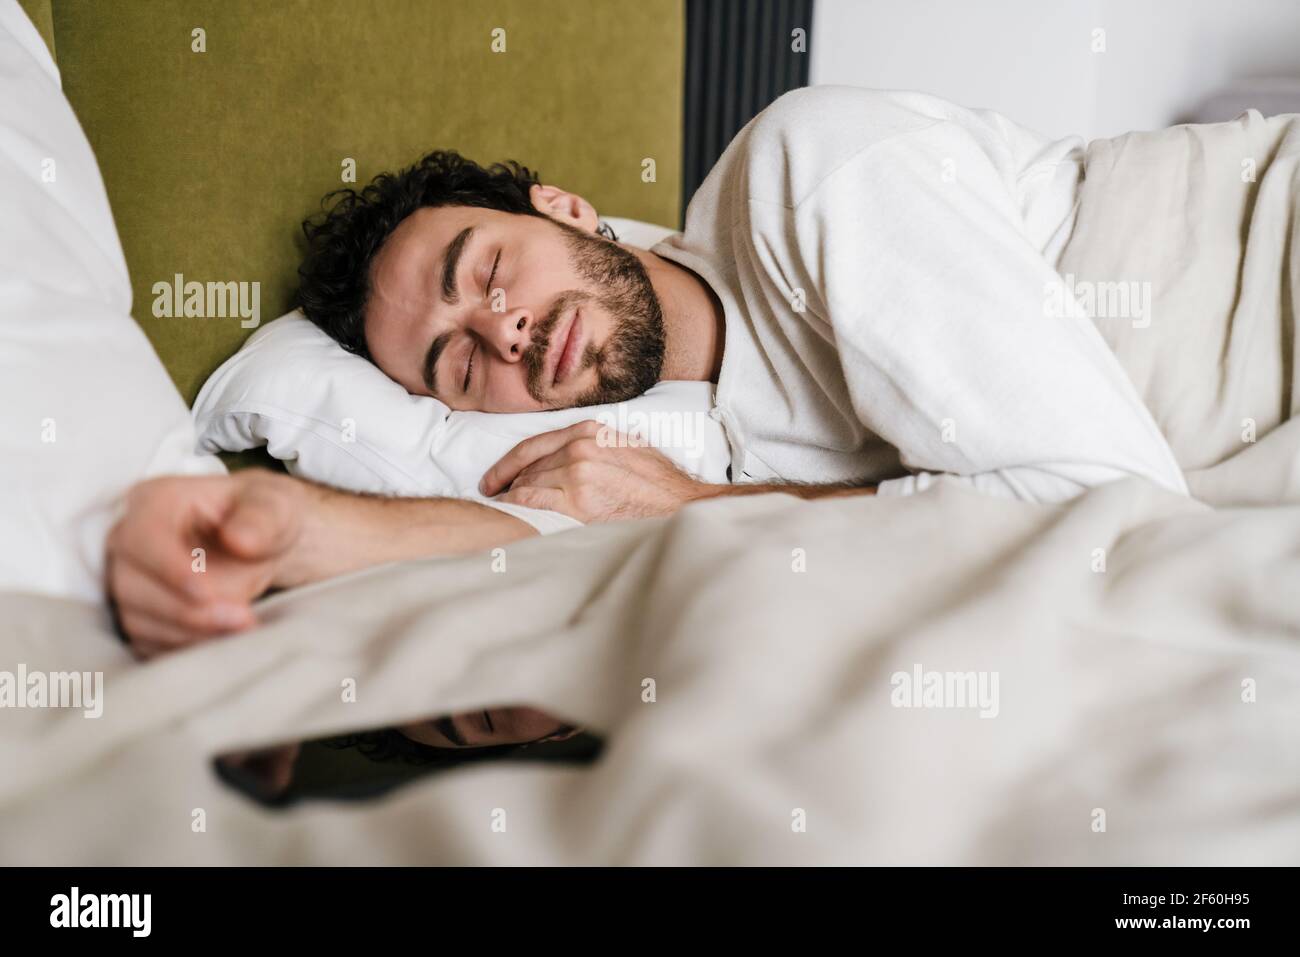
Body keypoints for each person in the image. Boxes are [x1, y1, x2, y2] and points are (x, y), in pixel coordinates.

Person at [108, 85, 1187, 657]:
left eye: (486, 272)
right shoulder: (725, 440)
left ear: (571, 209)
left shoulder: (803, 175)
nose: (505, 335)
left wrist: (707, 510)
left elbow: (1119, 527)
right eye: (457, 364)